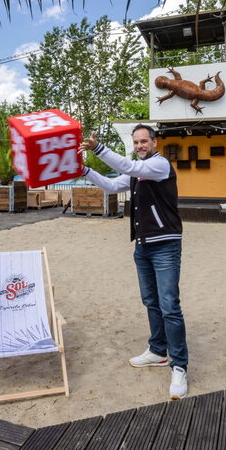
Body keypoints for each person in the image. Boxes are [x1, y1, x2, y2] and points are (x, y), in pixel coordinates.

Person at [77, 124, 189, 399]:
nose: (139, 146)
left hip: (165, 245)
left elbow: (132, 168)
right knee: (151, 302)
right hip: (143, 246)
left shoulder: (159, 165)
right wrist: (85, 171)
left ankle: (179, 366)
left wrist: (98, 149)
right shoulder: (136, 172)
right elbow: (113, 185)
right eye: (136, 142)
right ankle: (157, 351)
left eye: (144, 141)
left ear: (154, 142)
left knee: (169, 306)